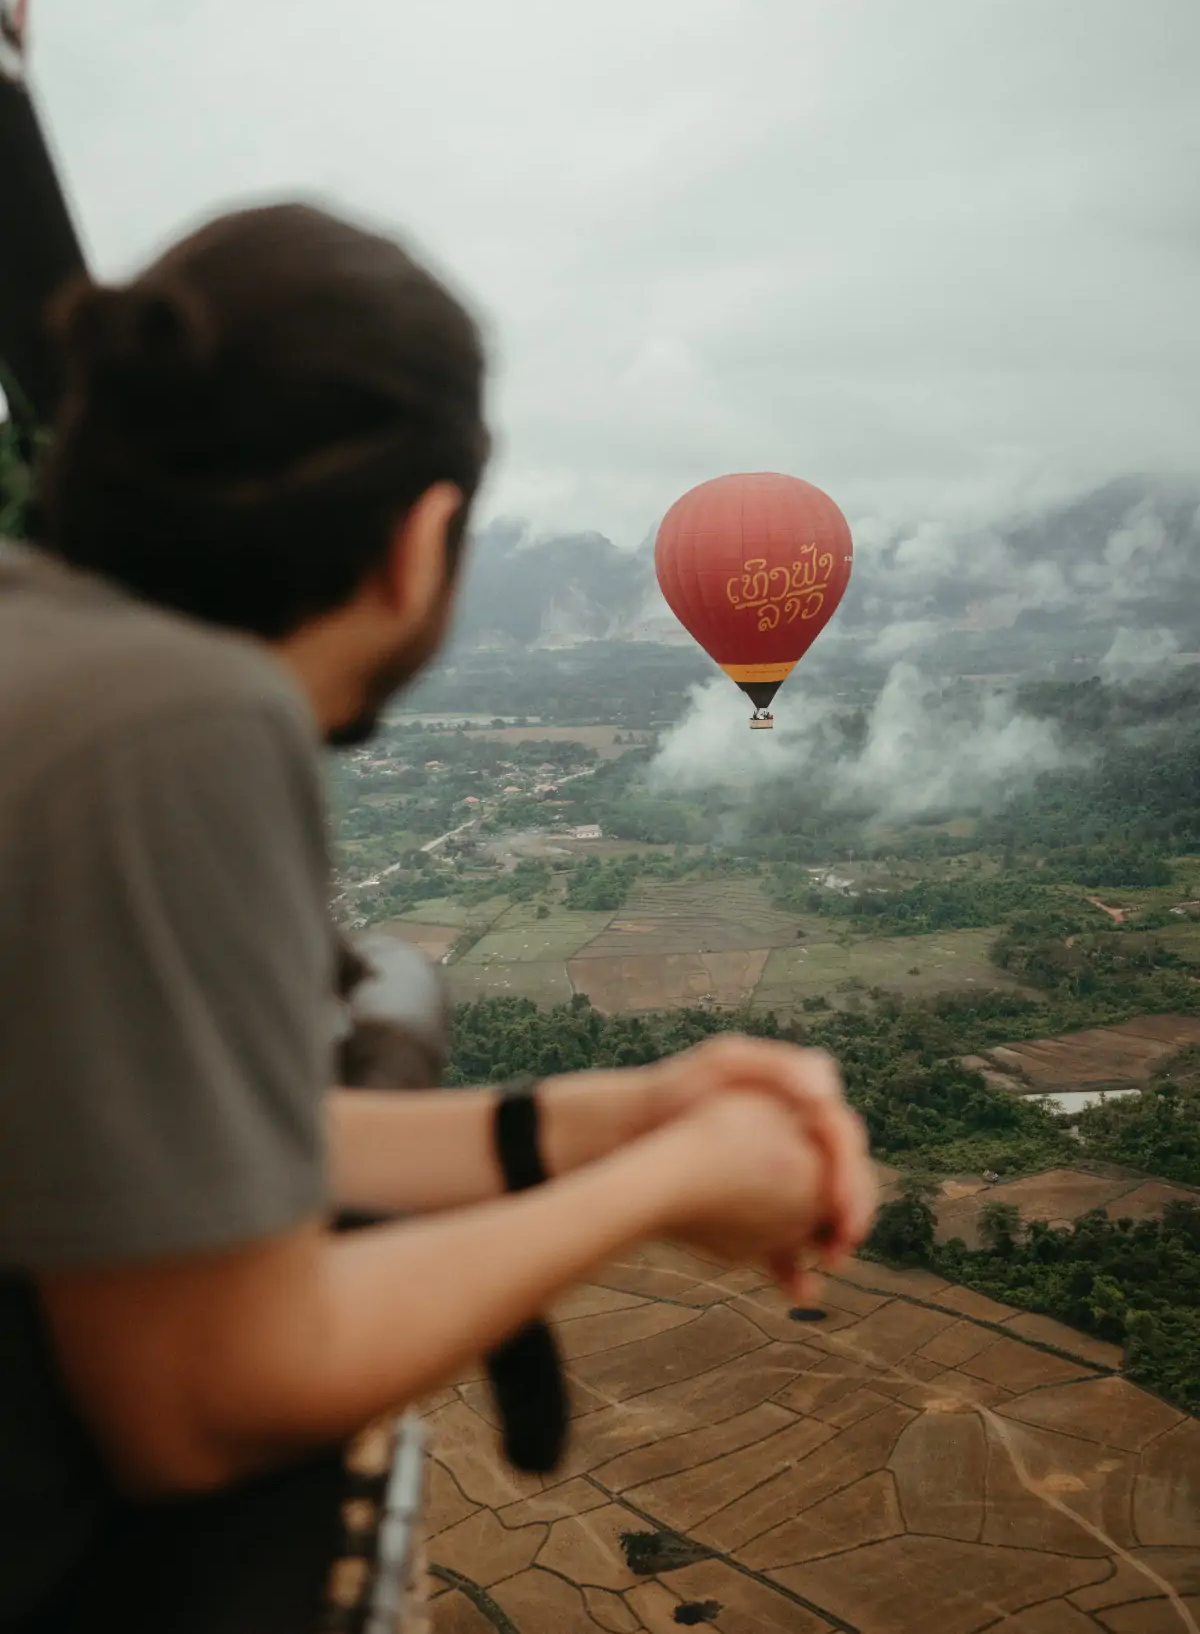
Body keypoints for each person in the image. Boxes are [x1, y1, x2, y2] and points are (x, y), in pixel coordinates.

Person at [0, 202, 875, 1632]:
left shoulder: (39, 653)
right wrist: (666, 1186)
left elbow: (161, 1145)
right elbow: (208, 1392)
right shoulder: (175, 719)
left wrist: (609, 1118)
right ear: (425, 538)